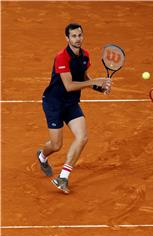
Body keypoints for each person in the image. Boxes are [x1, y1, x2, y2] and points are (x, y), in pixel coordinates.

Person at [37, 23, 112, 194]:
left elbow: (84, 78)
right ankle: (42, 156)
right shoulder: (61, 57)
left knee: (82, 137)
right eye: (74, 36)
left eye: (80, 35)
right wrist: (94, 82)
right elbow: (69, 85)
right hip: (54, 103)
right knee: (56, 145)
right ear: (67, 38)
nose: (78, 39)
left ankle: (63, 176)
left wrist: (99, 88)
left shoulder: (85, 55)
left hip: (71, 104)